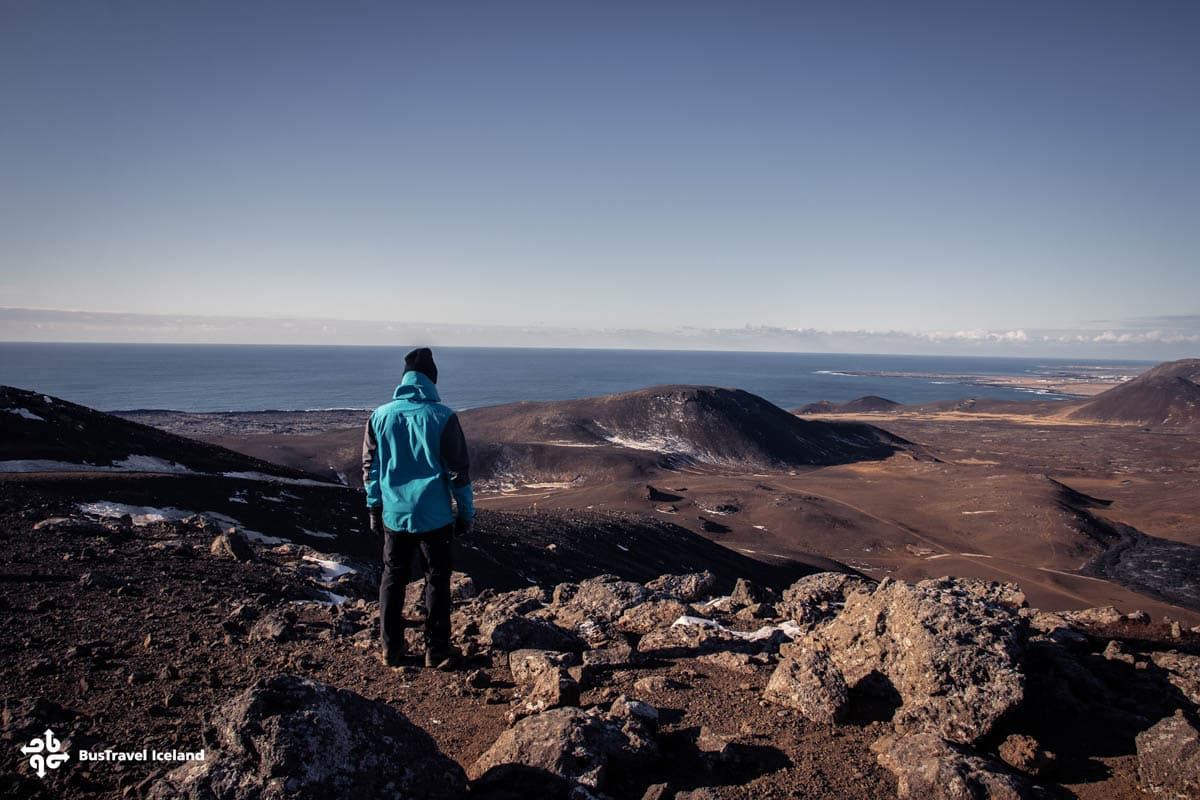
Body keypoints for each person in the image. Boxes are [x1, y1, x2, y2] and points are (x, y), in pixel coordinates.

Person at [362, 347, 475, 669]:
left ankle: (390, 648)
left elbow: (370, 468)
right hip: (434, 515)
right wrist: (465, 514)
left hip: (394, 514)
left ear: (405, 380)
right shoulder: (443, 417)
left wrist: (374, 507)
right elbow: (458, 474)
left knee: (393, 577)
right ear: (432, 381)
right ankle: (436, 650)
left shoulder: (380, 416)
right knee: (437, 580)